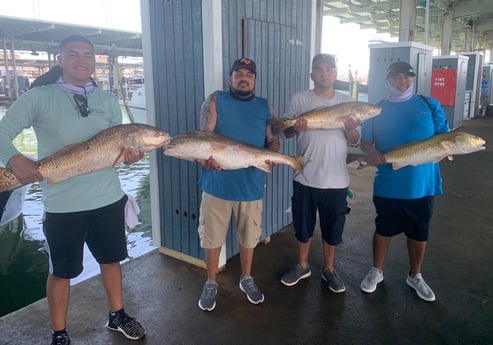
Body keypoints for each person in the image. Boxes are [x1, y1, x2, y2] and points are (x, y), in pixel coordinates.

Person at [0, 35, 145, 344]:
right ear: (59, 59)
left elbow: (113, 154)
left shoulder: (107, 102)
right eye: (74, 54)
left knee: (111, 260)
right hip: (62, 204)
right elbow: (3, 130)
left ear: (95, 61)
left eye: (89, 54)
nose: (82, 59)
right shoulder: (38, 97)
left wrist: (130, 156)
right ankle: (59, 332)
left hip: (107, 198)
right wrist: (14, 158)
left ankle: (117, 314)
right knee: (61, 271)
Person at [359, 61, 450, 302]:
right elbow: (365, 140)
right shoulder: (376, 109)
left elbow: (446, 136)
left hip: (423, 184)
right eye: (397, 78)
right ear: (388, 81)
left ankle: (415, 275)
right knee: (383, 229)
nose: (403, 82)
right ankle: (376, 271)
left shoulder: (430, 105)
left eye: (408, 77)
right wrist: (370, 152)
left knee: (419, 233)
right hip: (388, 181)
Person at [197, 57, 280, 311]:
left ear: (255, 79)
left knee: (249, 236)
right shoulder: (215, 100)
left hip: (251, 185)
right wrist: (204, 161)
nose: (244, 78)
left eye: (249, 74)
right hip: (217, 185)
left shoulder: (265, 107)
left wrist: (274, 154)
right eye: (239, 73)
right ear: (230, 77)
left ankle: (246, 277)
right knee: (212, 237)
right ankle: (211, 281)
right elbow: (204, 139)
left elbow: (272, 140)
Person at [279, 53, 361, 293]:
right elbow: (286, 134)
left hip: (336, 179)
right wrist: (294, 126)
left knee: (332, 228)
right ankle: (303, 265)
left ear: (335, 74)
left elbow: (355, 139)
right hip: (304, 175)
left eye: (329, 69)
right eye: (319, 69)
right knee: (303, 226)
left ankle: (329, 269)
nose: (324, 73)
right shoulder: (300, 99)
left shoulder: (348, 102)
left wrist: (350, 128)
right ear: (312, 75)